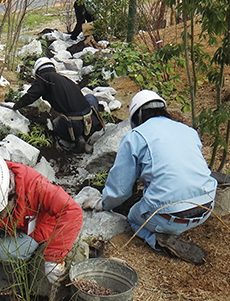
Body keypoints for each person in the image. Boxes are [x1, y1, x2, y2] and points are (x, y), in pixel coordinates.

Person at [83, 90, 217, 265]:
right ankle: (171, 230)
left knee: (133, 216)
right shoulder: (188, 130)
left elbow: (120, 190)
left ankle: (159, 241)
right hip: (206, 205)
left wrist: (102, 203)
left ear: (136, 116)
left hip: (170, 215)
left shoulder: (135, 137)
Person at [0, 150, 83, 287]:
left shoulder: (34, 185)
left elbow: (72, 211)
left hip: (33, 228)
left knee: (4, 251)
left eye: (0, 206)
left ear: (9, 191)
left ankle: (16, 274)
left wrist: (54, 257)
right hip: (6, 225)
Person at [4, 57, 104, 152]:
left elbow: (30, 96)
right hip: (90, 119)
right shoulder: (65, 79)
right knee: (90, 97)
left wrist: (15, 106)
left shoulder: (44, 78)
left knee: (53, 125)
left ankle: (74, 140)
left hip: (73, 125)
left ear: (38, 72)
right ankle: (86, 134)